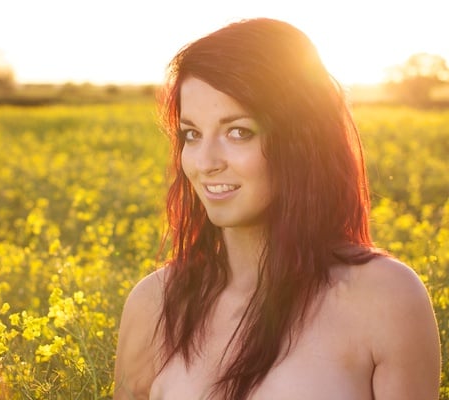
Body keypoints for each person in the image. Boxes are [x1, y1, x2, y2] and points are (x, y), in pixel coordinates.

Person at [114, 17, 441, 400]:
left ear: (302, 141)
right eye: (192, 134)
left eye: (239, 132)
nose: (205, 162)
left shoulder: (386, 300)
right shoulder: (154, 305)